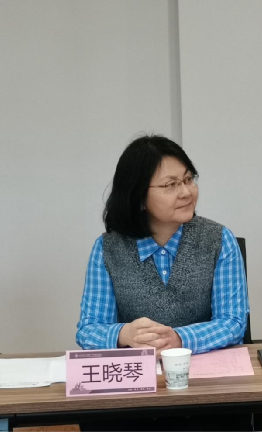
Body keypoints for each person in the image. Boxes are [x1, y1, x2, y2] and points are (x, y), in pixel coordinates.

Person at [76, 134, 249, 356]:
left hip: (201, 366)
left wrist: (178, 339)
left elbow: (233, 322)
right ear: (138, 197)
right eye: (171, 185)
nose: (186, 192)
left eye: (188, 180)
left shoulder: (219, 239)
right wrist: (124, 335)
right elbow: (88, 330)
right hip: (139, 370)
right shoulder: (107, 249)